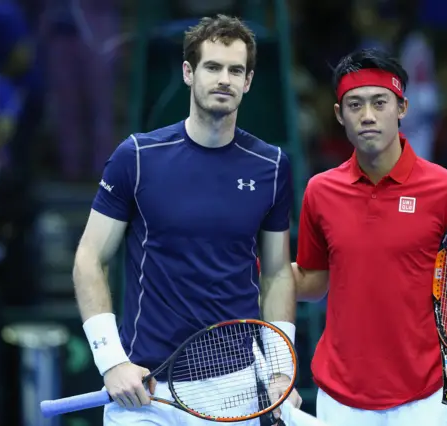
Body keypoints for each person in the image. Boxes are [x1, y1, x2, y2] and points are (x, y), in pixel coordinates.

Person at [72, 15, 300, 426]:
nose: (224, 79)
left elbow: (278, 272)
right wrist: (110, 362)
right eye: (212, 67)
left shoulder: (272, 165)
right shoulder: (136, 157)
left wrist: (281, 370)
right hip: (143, 388)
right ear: (188, 73)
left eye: (236, 70)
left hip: (236, 387)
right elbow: (89, 258)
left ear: (248, 81)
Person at [292, 48, 447, 425]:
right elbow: (313, 281)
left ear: (402, 108)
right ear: (338, 114)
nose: (367, 116)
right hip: (340, 397)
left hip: (425, 396)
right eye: (354, 105)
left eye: (380, 103)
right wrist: (257, 270)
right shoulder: (320, 191)